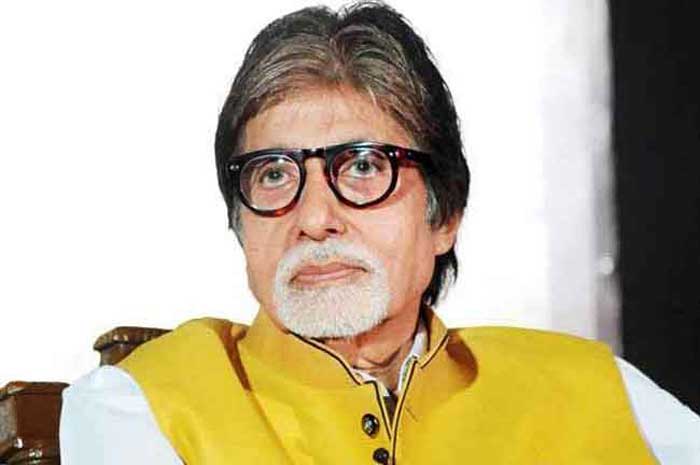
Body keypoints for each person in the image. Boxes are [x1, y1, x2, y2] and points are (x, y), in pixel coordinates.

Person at [60, 2, 700, 464]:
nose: (314, 218)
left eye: (364, 167)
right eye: (274, 174)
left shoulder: (600, 389)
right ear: (240, 223)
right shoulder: (141, 405)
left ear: (445, 216)